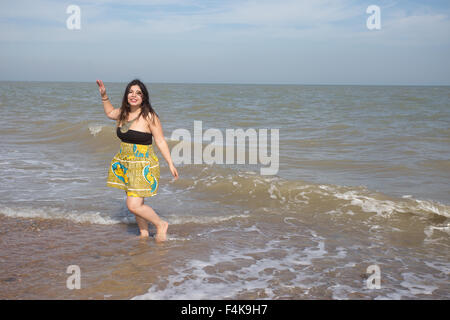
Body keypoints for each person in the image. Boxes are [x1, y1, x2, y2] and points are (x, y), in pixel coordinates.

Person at [97, 79, 178, 242]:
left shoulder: (149, 116)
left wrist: (170, 163)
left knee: (133, 205)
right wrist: (104, 95)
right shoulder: (123, 113)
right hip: (126, 163)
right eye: (131, 92)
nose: (134, 95)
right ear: (127, 94)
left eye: (138, 93)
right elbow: (109, 113)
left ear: (144, 97)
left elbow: (160, 140)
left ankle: (161, 224)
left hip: (143, 165)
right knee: (137, 203)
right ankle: (144, 234)